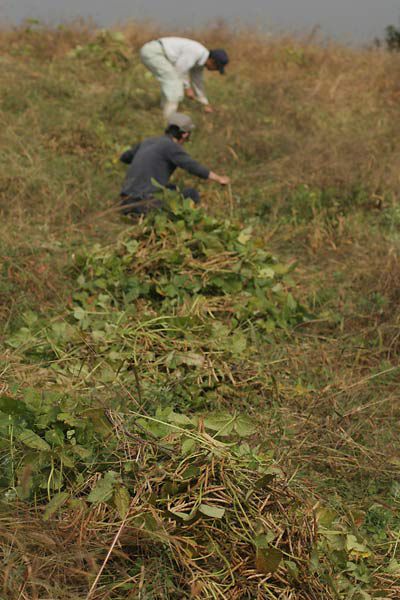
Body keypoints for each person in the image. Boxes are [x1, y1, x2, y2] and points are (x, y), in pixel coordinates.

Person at [119, 113, 230, 215]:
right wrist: (219, 178)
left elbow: (125, 157)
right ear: (185, 134)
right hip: (146, 204)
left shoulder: (148, 141)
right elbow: (192, 166)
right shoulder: (171, 147)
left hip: (125, 202)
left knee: (171, 188)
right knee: (191, 194)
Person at [140, 37, 229, 118]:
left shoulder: (201, 62)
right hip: (154, 52)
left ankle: (164, 112)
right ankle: (168, 118)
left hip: (160, 54)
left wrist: (205, 103)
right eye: (217, 68)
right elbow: (180, 70)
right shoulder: (196, 52)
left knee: (173, 82)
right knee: (174, 81)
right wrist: (187, 88)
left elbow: (197, 82)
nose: (215, 70)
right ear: (212, 61)